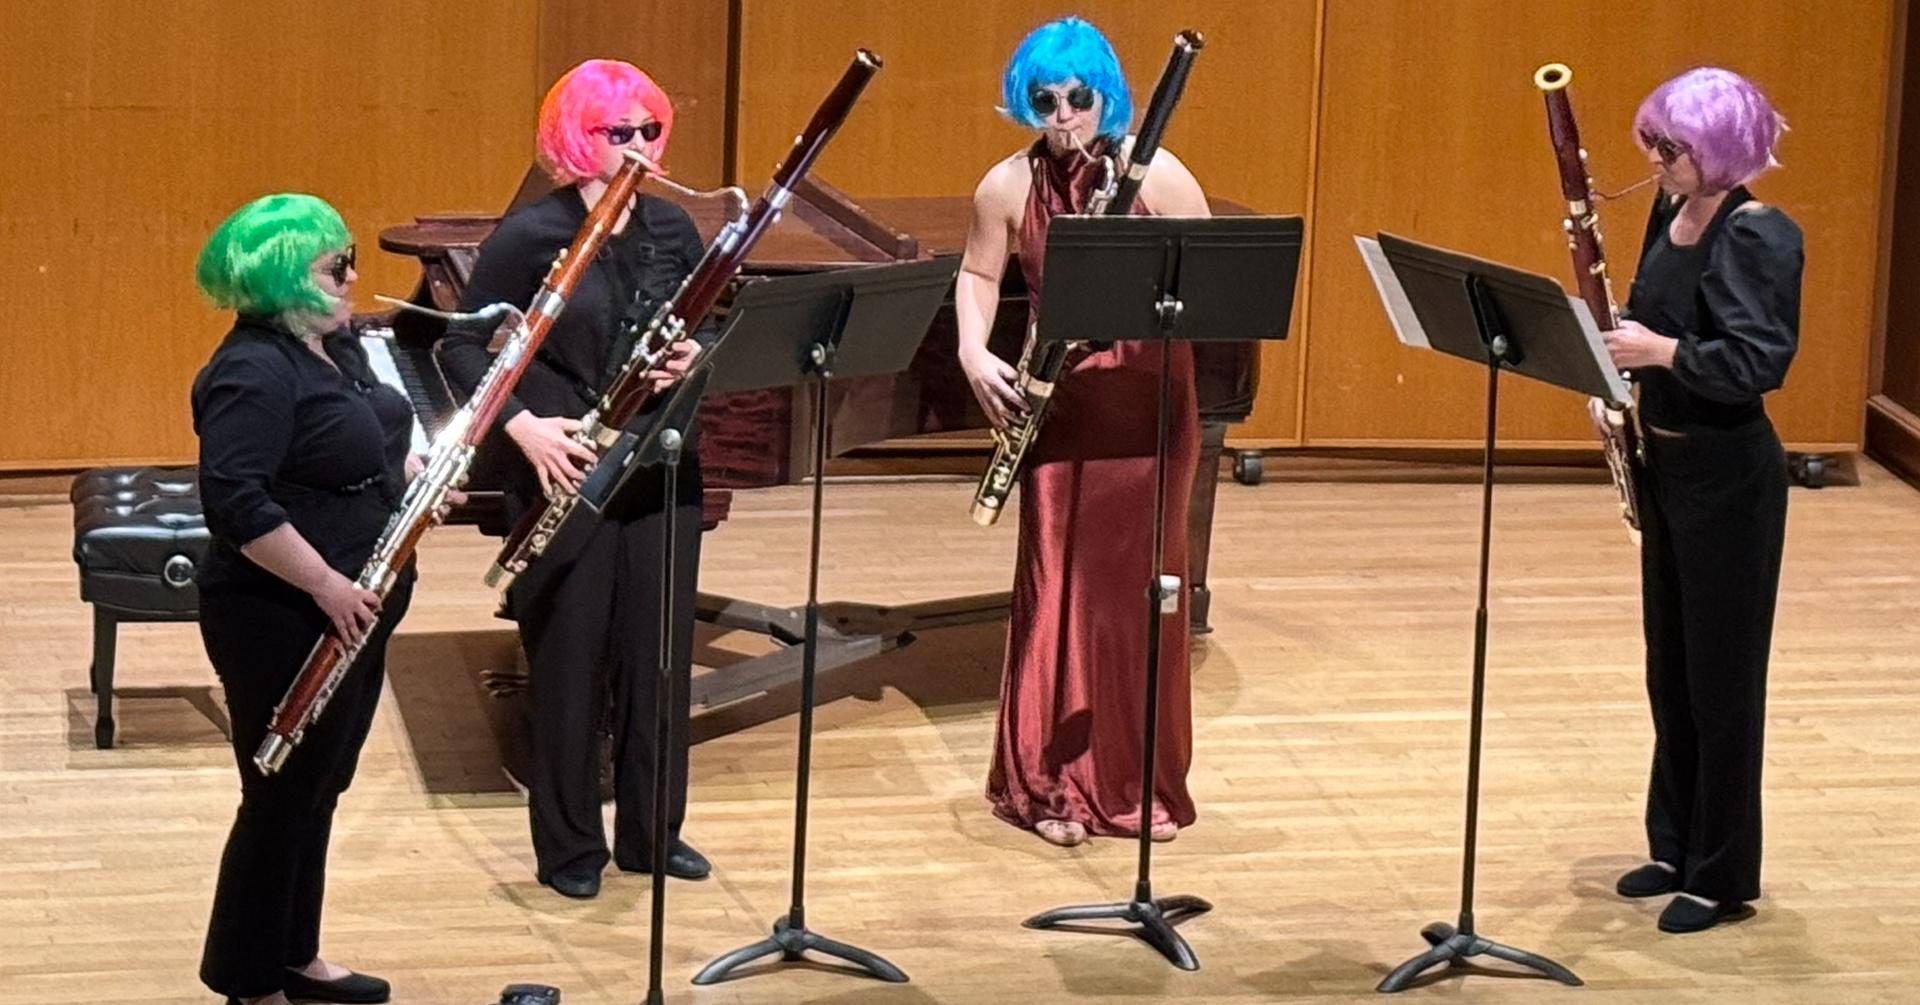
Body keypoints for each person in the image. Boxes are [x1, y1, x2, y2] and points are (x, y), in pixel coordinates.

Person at [439, 58, 709, 899]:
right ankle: (568, 850)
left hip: (659, 463)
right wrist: (522, 428)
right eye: (615, 132)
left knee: (657, 660)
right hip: (564, 469)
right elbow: (454, 347)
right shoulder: (530, 236)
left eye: (647, 131)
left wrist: (694, 359)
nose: (636, 147)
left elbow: (707, 335)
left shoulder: (673, 233)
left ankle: (652, 834)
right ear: (574, 138)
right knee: (566, 663)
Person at [956, 18, 1211, 847]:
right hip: (1060, 410)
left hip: (1148, 406)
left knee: (1140, 596)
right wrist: (970, 349)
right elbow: (978, 274)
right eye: (1044, 100)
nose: (1063, 115)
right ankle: (1048, 785)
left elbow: (1213, 283)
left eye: (1078, 98)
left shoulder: (1159, 173)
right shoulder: (1005, 186)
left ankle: (1132, 781)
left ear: (1107, 95)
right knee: (1057, 592)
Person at [192, 193, 422, 1004]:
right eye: (337, 265)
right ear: (289, 279)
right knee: (280, 790)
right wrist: (326, 584)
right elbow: (239, 504)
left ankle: (295, 951)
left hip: (356, 602)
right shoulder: (251, 370)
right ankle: (249, 980)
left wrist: (410, 479)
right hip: (281, 611)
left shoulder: (336, 344)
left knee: (322, 782)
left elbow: (365, 439)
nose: (356, 275)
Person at [1598, 67, 1803, 934]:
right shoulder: (1667, 213)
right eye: (1653, 141)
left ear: (1720, 149)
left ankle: (1722, 874)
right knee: (1670, 668)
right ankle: (1674, 840)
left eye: (1672, 149)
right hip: (1668, 464)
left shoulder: (1760, 232)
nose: (1654, 160)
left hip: (1730, 477)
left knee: (1723, 681)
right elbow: (1647, 321)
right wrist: (1609, 362)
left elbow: (1758, 364)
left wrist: (1663, 354)